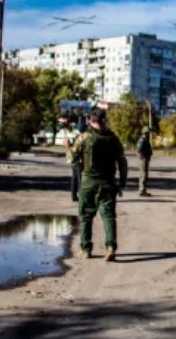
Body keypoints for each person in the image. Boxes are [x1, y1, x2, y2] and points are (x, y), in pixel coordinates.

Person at [69, 108, 128, 261]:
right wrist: (122, 182)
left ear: (90, 120)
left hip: (88, 182)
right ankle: (110, 248)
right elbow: (122, 161)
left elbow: (72, 159)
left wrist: (67, 147)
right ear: (104, 120)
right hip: (108, 183)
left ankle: (86, 249)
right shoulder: (113, 138)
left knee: (86, 216)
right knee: (108, 216)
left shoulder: (84, 138)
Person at [65, 119, 88, 203]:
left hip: (73, 160)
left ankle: (73, 196)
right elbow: (82, 150)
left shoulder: (74, 137)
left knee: (74, 179)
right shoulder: (81, 138)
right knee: (80, 179)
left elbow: (70, 146)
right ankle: (82, 197)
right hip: (79, 160)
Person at [137, 126, 153, 197]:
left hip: (144, 158)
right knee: (144, 174)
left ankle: (142, 189)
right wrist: (144, 156)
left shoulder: (144, 140)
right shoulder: (142, 140)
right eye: (148, 133)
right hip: (143, 159)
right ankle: (142, 190)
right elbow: (140, 150)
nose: (149, 135)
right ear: (145, 133)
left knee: (143, 174)